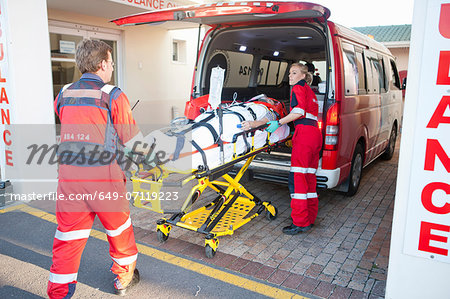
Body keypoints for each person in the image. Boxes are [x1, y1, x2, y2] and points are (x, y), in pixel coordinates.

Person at [48, 39, 149, 298]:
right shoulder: (113, 94)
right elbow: (133, 141)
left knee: (68, 238)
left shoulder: (63, 94)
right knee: (119, 231)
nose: (112, 67)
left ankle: (59, 292)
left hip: (70, 179)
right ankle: (123, 280)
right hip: (104, 179)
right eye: (111, 62)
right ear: (103, 63)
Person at [266, 63, 322, 235]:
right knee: (309, 179)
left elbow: (298, 112)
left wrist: (279, 123)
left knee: (297, 180)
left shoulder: (298, 88)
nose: (290, 76)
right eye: (289, 73)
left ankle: (300, 222)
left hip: (304, 135)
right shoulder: (311, 91)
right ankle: (310, 218)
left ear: (303, 76)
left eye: (294, 73)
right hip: (315, 135)